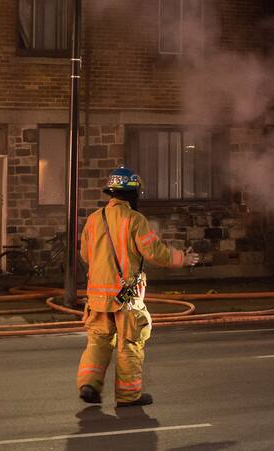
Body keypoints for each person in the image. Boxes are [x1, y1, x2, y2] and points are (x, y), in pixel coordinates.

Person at [77, 166, 198, 407]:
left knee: (98, 341)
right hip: (126, 296)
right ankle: (128, 395)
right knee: (130, 343)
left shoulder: (93, 219)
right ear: (133, 194)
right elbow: (154, 253)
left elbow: (85, 255)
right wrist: (182, 258)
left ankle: (88, 384)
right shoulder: (134, 220)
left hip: (97, 297)